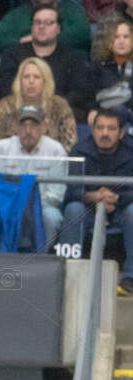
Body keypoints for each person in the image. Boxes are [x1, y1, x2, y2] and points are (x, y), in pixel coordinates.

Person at [64, 107, 133, 292]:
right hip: (88, 208)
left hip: (121, 208)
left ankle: (130, 278)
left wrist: (116, 198)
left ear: (121, 133)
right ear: (92, 130)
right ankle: (68, 272)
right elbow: (69, 191)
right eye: (100, 128)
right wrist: (91, 196)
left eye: (111, 129)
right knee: (72, 209)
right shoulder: (79, 151)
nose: (104, 133)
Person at [0, 103, 68, 250]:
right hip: (10, 204)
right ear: (15, 127)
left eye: (33, 125)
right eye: (23, 125)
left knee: (51, 216)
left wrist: (30, 204)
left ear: (44, 127)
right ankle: (3, 260)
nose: (28, 130)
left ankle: (41, 259)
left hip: (44, 206)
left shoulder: (56, 150)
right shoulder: (1, 148)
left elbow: (57, 194)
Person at [0, 4, 92, 118]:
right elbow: (6, 89)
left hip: (59, 116)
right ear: (32, 27)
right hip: (20, 115)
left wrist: (48, 104)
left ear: (58, 29)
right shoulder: (12, 55)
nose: (42, 27)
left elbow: (79, 94)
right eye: (37, 22)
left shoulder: (74, 58)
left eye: (48, 23)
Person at [0, 56, 76, 150]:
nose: (31, 81)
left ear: (45, 81)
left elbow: (70, 144)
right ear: (19, 81)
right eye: (26, 77)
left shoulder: (60, 106)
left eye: (36, 77)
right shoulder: (5, 106)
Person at [0, 0, 92, 58]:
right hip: (26, 67)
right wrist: (24, 43)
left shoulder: (72, 10)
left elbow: (82, 34)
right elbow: (1, 42)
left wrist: (40, 40)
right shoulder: (15, 16)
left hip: (67, 66)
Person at [92, 17, 133, 121]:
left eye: (126, 37)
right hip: (105, 119)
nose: (121, 41)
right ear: (109, 42)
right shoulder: (98, 66)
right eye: (116, 37)